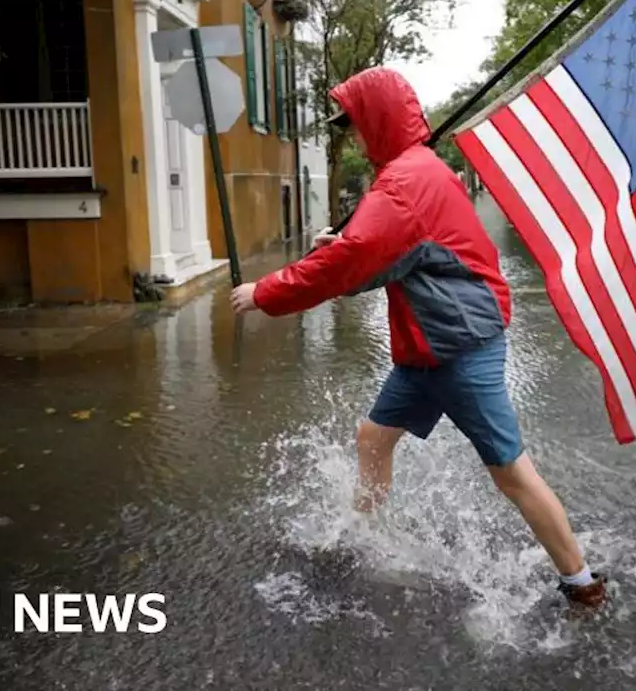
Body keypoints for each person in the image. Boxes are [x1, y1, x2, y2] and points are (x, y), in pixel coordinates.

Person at [229, 67, 606, 610]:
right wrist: (337, 245)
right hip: (427, 348)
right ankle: (363, 537)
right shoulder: (412, 173)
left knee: (510, 471)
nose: (354, 137)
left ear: (378, 120)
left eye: (357, 125)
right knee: (373, 438)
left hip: (458, 345)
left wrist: (264, 293)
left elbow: (354, 266)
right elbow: (377, 251)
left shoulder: (405, 183)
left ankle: (581, 582)